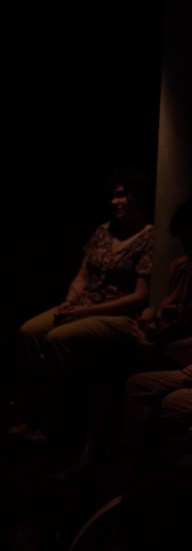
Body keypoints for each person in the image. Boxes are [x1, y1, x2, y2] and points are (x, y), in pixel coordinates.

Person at [8, 166, 153, 478]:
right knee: (29, 332)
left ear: (138, 196)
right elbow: (82, 276)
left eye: (122, 195)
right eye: (113, 195)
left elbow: (140, 296)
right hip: (84, 304)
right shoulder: (104, 231)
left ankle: (59, 422)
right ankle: (35, 412)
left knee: (58, 339)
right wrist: (69, 301)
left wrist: (84, 312)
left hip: (116, 313)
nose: (115, 201)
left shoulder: (149, 237)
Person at [119, 198, 192, 469]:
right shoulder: (184, 267)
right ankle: (133, 464)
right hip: (175, 350)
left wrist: (157, 345)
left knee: (167, 400)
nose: (186, 244)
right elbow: (173, 313)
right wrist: (152, 317)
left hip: (179, 353)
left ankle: (144, 465)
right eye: (184, 237)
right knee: (129, 371)